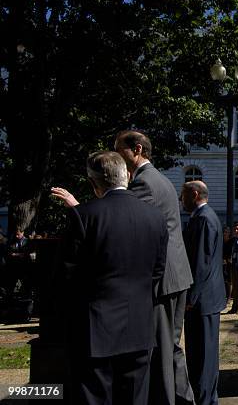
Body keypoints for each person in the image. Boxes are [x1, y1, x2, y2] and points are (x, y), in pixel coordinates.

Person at [52, 151, 168, 404]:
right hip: (139, 326)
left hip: (95, 329)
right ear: (127, 175)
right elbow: (158, 271)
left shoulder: (83, 216)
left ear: (94, 184)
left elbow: (65, 276)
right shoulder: (155, 217)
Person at [115, 130, 194, 405]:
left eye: (119, 150)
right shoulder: (160, 179)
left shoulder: (144, 184)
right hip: (177, 275)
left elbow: (121, 218)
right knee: (171, 348)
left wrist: (82, 209)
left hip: (164, 280)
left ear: (137, 150)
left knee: (162, 349)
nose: (116, 156)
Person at [180, 181, 225, 405]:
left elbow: (201, 262)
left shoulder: (205, 219)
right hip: (204, 299)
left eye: (183, 195)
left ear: (195, 194)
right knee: (199, 355)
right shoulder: (204, 217)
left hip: (203, 300)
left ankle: (206, 400)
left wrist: (191, 297)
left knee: (204, 357)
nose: (181, 199)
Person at [222, 227, 233, 305]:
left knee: (229, 281)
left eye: (226, 232)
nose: (225, 233)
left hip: (229, 264)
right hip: (221, 264)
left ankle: (229, 297)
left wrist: (228, 259)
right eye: (224, 232)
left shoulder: (231, 242)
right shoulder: (221, 242)